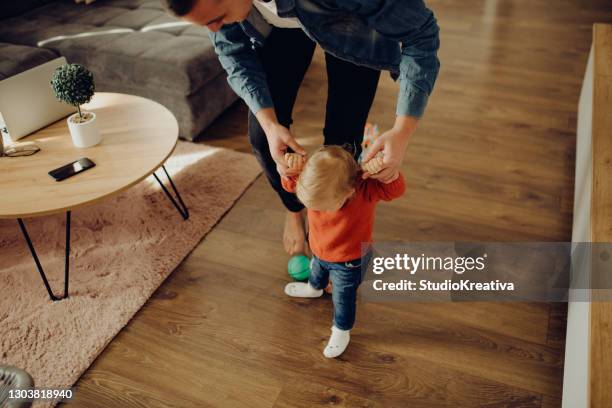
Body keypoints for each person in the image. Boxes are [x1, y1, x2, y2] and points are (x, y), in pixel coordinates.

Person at [162, 0, 440, 255]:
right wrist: (271, 125)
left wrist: (402, 131)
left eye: (217, 17)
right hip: (279, 29)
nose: (212, 29)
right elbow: (231, 51)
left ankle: (334, 222)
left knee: (343, 139)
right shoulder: (218, 9)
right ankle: (294, 208)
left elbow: (421, 32)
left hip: (353, 27)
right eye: (206, 23)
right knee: (262, 137)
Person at [281, 146, 406, 357]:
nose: (319, 211)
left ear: (349, 191)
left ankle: (341, 329)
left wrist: (389, 173)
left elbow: (396, 189)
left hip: (349, 262)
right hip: (319, 251)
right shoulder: (314, 183)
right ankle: (314, 288)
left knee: (342, 298)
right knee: (316, 272)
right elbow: (289, 184)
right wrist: (290, 168)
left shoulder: (365, 189)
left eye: (324, 207)